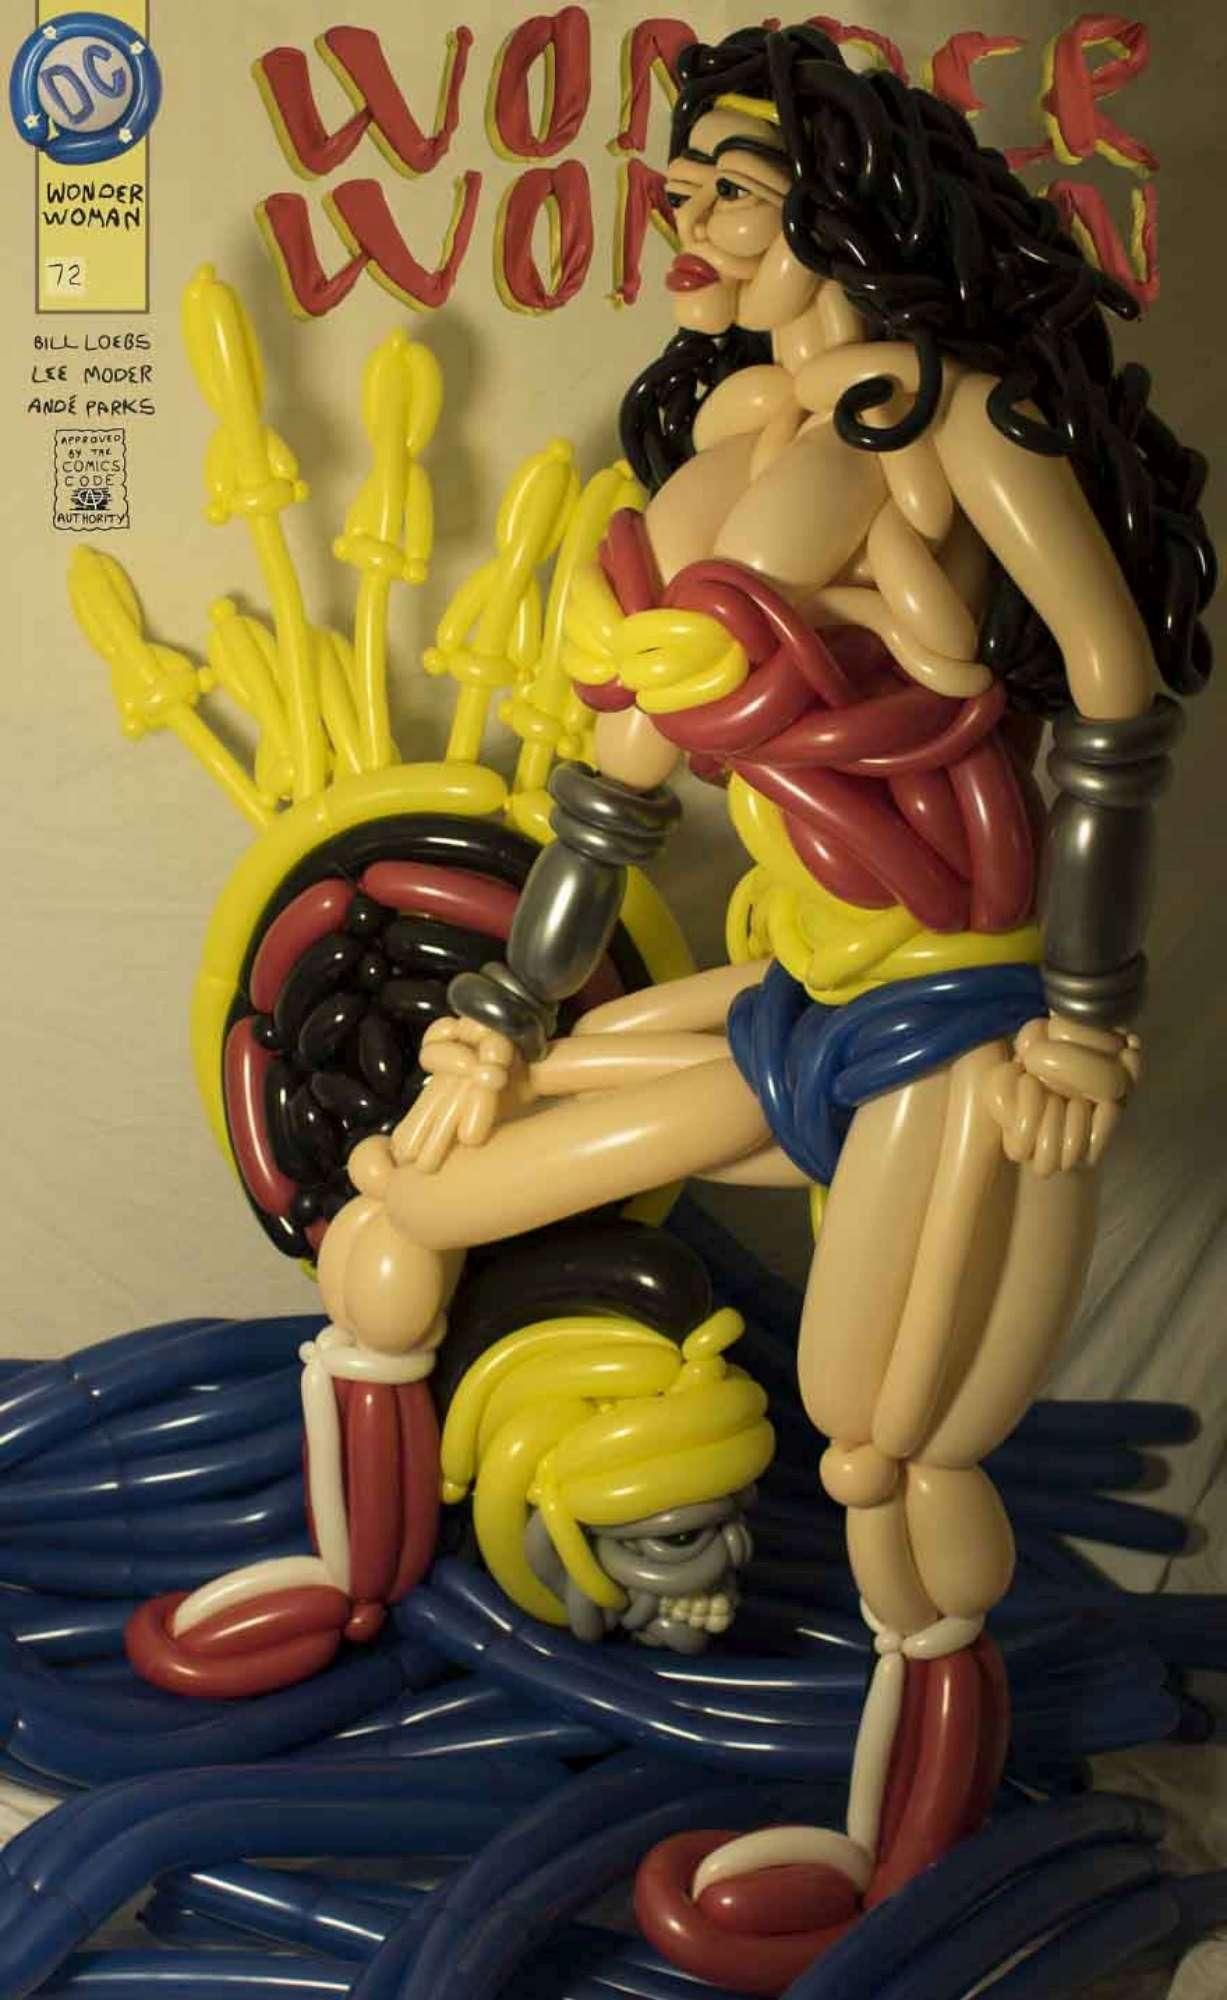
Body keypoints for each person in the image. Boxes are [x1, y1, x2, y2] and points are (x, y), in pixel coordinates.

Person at [318, 24, 1214, 1988]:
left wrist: (1081, 1003)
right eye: (685, 182)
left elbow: (1109, 689)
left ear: (841, 204)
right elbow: (616, 787)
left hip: (961, 1014)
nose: (690, 214)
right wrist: (505, 1002)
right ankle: (348, 1603)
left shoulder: (952, 416)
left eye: (733, 184)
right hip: (791, 991)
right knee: (402, 1200)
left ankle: (905, 1857)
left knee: (884, 1453)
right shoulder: (720, 435)